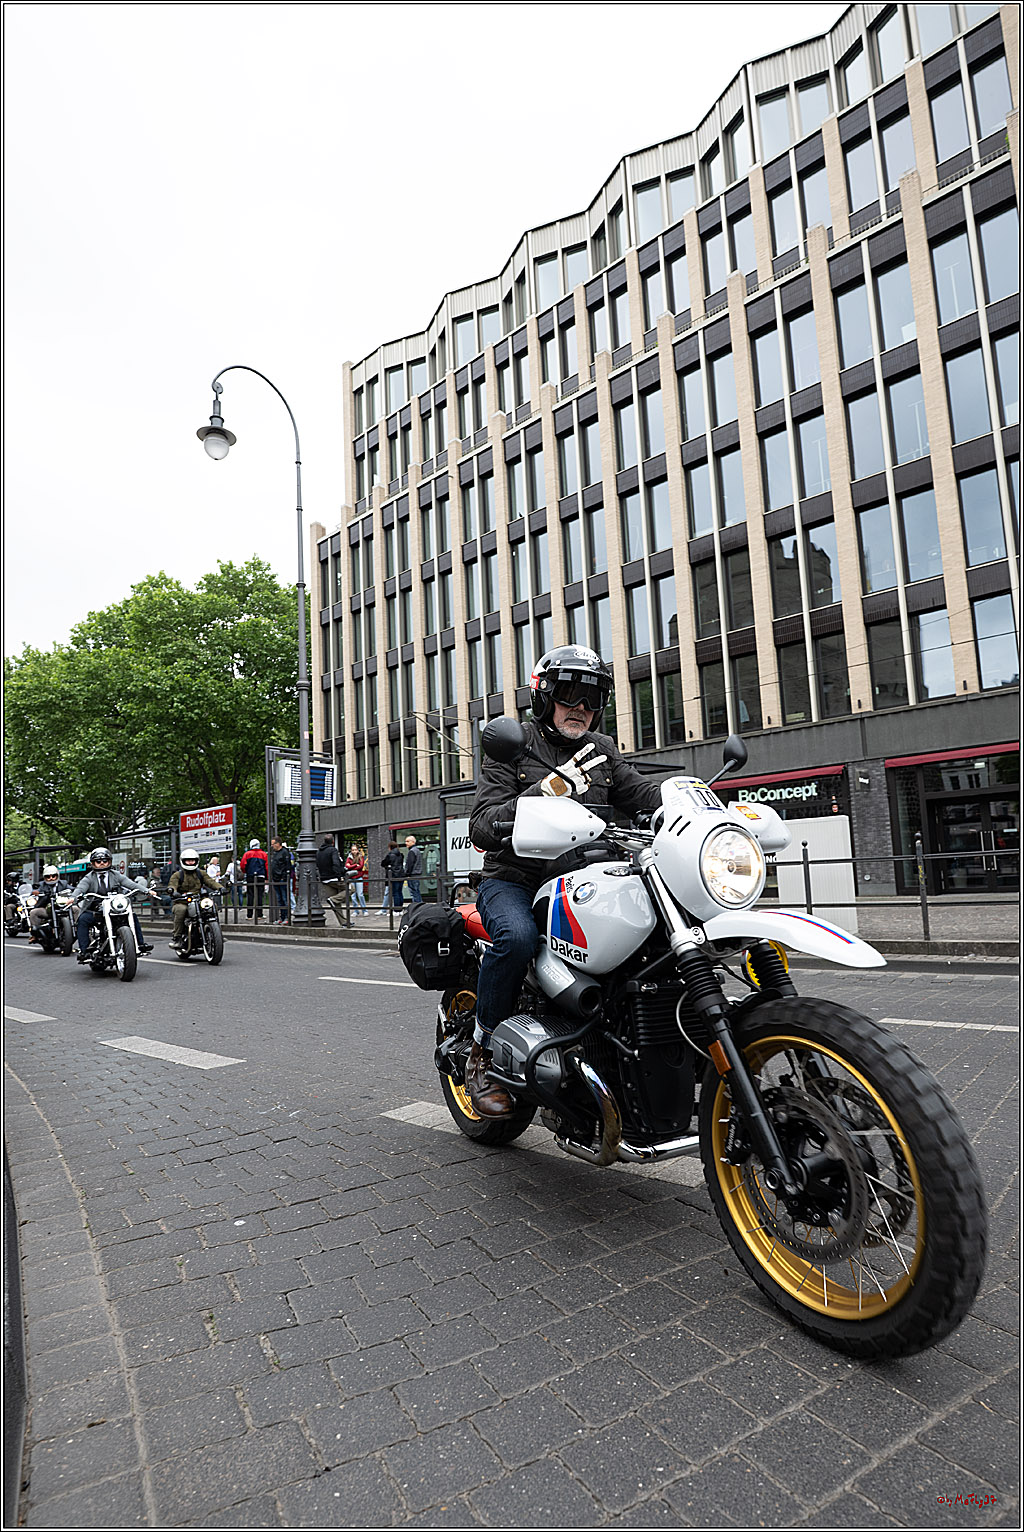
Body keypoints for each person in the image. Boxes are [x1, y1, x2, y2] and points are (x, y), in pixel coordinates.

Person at [466, 645, 664, 1117]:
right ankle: (482, 1052)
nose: (580, 706)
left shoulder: (602, 750)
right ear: (544, 695)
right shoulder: (515, 745)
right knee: (517, 939)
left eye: (592, 697)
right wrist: (545, 792)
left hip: (584, 882)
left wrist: (693, 804)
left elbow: (642, 793)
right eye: (569, 692)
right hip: (515, 880)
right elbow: (482, 825)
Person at [72, 847, 153, 959]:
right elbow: (80, 888)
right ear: (93, 863)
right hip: (96, 909)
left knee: (132, 916)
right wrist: (73, 898)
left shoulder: (115, 875)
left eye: (104, 861)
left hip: (114, 907)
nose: (102, 863)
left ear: (109, 862)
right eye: (98, 861)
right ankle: (84, 951)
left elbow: (131, 884)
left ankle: (140, 944)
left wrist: (147, 891)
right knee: (82, 919)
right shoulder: (89, 877)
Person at [167, 849, 222, 949]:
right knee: (181, 910)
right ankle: (177, 938)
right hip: (182, 901)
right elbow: (172, 885)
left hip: (198, 899)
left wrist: (220, 888)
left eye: (192, 860)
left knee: (212, 906)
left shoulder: (201, 873)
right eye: (188, 860)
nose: (190, 862)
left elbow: (210, 882)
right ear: (183, 861)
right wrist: (173, 891)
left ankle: (217, 934)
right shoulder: (177, 875)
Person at [28, 865, 74, 944]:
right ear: (44, 877)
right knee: (33, 912)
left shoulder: (63, 884)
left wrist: (75, 892)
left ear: (57, 876)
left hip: (63, 908)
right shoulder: (42, 885)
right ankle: (35, 935)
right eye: (48, 877)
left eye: (53, 876)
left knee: (76, 909)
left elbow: (73, 889)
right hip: (47, 908)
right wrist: (35, 892)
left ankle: (76, 929)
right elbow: (36, 890)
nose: (51, 878)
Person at [316, 833, 346, 925]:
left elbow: (318, 865)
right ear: (332, 842)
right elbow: (336, 864)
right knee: (351, 888)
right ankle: (334, 899)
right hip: (333, 878)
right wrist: (339, 876)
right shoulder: (333, 850)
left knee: (336, 904)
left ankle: (343, 922)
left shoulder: (319, 852)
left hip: (324, 879)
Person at [239, 838, 269, 921]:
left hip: (250, 876)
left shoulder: (247, 854)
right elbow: (267, 866)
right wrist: (267, 877)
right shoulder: (264, 854)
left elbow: (242, 865)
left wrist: (246, 871)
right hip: (261, 876)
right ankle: (259, 914)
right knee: (259, 895)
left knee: (250, 895)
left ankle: (249, 915)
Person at [269, 837, 295, 925]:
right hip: (276, 878)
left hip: (281, 879)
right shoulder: (275, 853)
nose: (272, 846)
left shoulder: (284, 853)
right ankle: (282, 917)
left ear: (278, 844)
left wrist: (283, 877)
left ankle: (287, 917)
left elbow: (287, 866)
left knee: (284, 898)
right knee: (280, 899)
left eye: (273, 844)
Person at [379, 840, 405, 915]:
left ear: (390, 847)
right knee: (399, 892)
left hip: (393, 875)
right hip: (401, 875)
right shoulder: (401, 855)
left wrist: (387, 867)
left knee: (395, 893)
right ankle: (400, 909)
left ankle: (396, 910)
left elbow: (383, 863)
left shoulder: (390, 855)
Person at [345, 843, 367, 915]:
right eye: (353, 850)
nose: (354, 851)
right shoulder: (349, 858)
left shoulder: (361, 857)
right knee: (353, 895)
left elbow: (361, 866)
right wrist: (355, 865)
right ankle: (356, 911)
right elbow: (347, 866)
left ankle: (364, 910)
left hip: (359, 877)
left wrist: (351, 866)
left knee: (360, 894)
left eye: (355, 850)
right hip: (351, 878)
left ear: (357, 850)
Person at [404, 836, 423, 904]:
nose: (406, 843)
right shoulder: (417, 850)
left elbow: (410, 864)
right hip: (416, 874)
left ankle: (417, 906)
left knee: (414, 892)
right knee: (416, 891)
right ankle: (419, 905)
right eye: (405, 841)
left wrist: (407, 873)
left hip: (413, 874)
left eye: (408, 841)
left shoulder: (412, 851)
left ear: (413, 842)